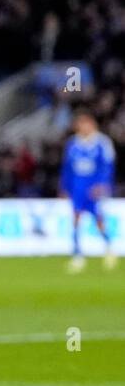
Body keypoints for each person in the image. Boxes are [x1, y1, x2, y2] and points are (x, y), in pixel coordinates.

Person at [61, 110, 117, 273]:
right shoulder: (72, 143)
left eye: (86, 124)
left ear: (92, 125)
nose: (83, 127)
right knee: (76, 219)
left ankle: (109, 249)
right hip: (78, 187)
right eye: (80, 124)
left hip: (95, 188)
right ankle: (78, 256)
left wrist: (103, 184)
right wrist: (65, 187)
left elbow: (108, 166)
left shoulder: (102, 143)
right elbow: (67, 168)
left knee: (99, 220)